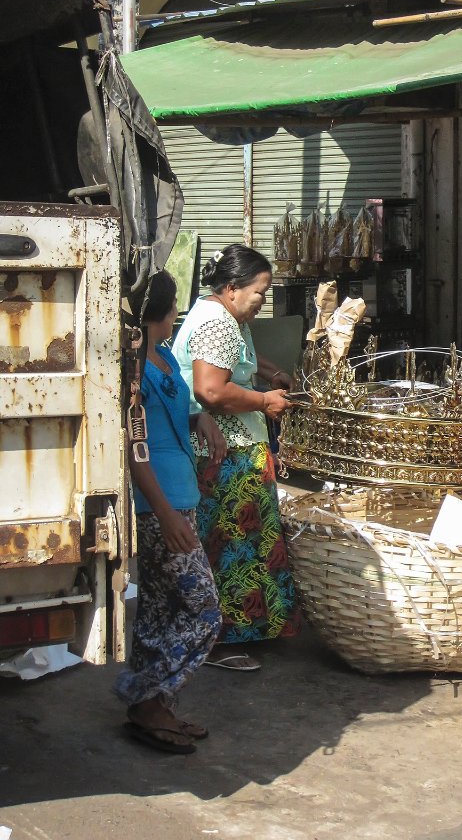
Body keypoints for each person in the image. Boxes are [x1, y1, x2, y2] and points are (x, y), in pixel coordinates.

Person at [172, 244, 299, 672]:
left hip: (231, 446)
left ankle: (235, 629)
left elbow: (235, 357)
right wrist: (264, 400)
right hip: (223, 451)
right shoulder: (217, 323)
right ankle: (218, 638)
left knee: (239, 541)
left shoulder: (223, 314)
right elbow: (211, 390)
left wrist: (266, 370)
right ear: (231, 288)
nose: (262, 302)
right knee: (231, 544)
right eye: (259, 293)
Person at [115, 270, 226, 754]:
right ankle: (145, 697)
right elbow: (134, 446)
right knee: (204, 610)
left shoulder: (161, 356)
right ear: (162, 307)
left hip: (181, 497)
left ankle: (154, 707)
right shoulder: (134, 369)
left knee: (160, 609)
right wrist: (162, 512)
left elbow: (173, 412)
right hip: (161, 503)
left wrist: (200, 418)